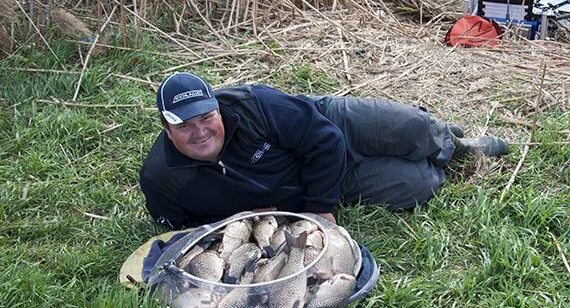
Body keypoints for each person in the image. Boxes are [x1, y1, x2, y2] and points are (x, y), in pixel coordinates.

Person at [139, 72, 509, 229]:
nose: (200, 132)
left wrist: (320, 209)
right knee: (419, 184)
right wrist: (244, 220)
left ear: (217, 107)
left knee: (413, 127)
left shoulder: (254, 104)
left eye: (206, 117)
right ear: (166, 129)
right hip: (319, 180)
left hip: (330, 125)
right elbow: (182, 229)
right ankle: (436, 159)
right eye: (185, 125)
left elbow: (325, 138)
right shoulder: (161, 179)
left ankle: (457, 145)